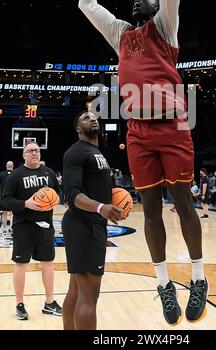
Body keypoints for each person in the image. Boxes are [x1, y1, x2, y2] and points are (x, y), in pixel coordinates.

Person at [78, 0, 207, 324]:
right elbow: (88, 6)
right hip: (138, 131)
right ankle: (164, 285)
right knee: (149, 209)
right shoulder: (121, 34)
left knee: (183, 203)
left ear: (155, 6)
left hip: (172, 125)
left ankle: (199, 278)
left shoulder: (166, 25)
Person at [62, 111, 122, 330]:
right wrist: (100, 207)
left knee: (76, 291)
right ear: (78, 128)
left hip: (90, 225)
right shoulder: (75, 152)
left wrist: (113, 198)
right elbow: (71, 194)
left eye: (94, 117)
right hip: (83, 224)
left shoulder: (96, 153)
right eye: (86, 118)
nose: (93, 119)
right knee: (89, 296)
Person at [1, 141, 62, 320]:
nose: (34, 153)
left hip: (45, 225)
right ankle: (19, 304)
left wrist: (53, 202)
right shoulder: (16, 175)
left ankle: (49, 303)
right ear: (23, 155)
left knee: (48, 263)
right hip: (23, 225)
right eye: (30, 151)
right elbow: (5, 201)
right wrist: (25, 204)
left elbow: (57, 196)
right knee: (21, 264)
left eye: (37, 150)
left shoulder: (49, 173)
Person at [0, 161, 14, 235]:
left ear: (6, 166)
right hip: (13, 197)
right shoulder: (15, 174)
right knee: (12, 213)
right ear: (12, 166)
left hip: (4, 197)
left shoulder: (1, 174)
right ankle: (11, 228)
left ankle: (4, 229)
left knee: (4, 214)